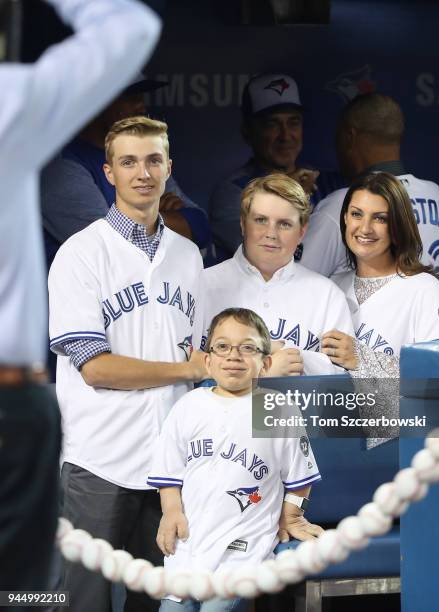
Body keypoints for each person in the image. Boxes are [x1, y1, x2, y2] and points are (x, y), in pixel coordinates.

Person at [0, 0, 160, 599]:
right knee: (22, 593)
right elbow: (131, 26)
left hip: (22, 406)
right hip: (14, 403)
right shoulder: (8, 102)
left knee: (31, 592)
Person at [48, 116, 207, 612]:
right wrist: (185, 371)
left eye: (154, 160)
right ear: (109, 172)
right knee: (85, 602)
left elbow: (198, 353)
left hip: (168, 466)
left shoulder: (187, 256)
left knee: (154, 602)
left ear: (168, 169)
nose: (143, 172)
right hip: (99, 458)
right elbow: (95, 368)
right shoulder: (81, 253)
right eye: (129, 162)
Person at [149, 307, 323, 611]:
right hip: (190, 542)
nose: (234, 356)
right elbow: (169, 473)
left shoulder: (274, 408)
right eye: (222, 347)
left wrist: (292, 515)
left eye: (248, 348)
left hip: (243, 545)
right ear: (207, 360)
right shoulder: (188, 406)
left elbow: (300, 478)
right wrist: (171, 511)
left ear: (266, 363)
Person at [41, 73, 210, 269]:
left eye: (141, 98)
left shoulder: (145, 156)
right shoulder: (63, 168)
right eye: (131, 98)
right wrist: (158, 213)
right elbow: (113, 250)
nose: (142, 107)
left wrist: (136, 220)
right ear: (98, 102)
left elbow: (199, 225)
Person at [202, 174, 354, 376]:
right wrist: (262, 365)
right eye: (260, 220)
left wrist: (295, 358)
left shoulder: (327, 295)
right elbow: (188, 366)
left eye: (284, 224)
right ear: (242, 223)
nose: (271, 233)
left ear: (302, 232)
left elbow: (342, 381)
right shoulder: (203, 284)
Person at [320, 171, 439, 379]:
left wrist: (363, 359)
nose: (365, 228)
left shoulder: (424, 288)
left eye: (380, 218)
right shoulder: (332, 286)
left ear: (397, 225)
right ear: (345, 218)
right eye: (357, 214)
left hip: (401, 412)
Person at [301, 92, 439, 277]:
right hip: (426, 304)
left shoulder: (343, 204)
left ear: (349, 138)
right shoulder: (435, 194)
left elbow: (295, 283)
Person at [209, 73, 339, 260]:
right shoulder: (233, 192)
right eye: (272, 124)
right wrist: (285, 198)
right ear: (248, 131)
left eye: (293, 122)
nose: (285, 136)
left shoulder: (326, 183)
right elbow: (264, 257)